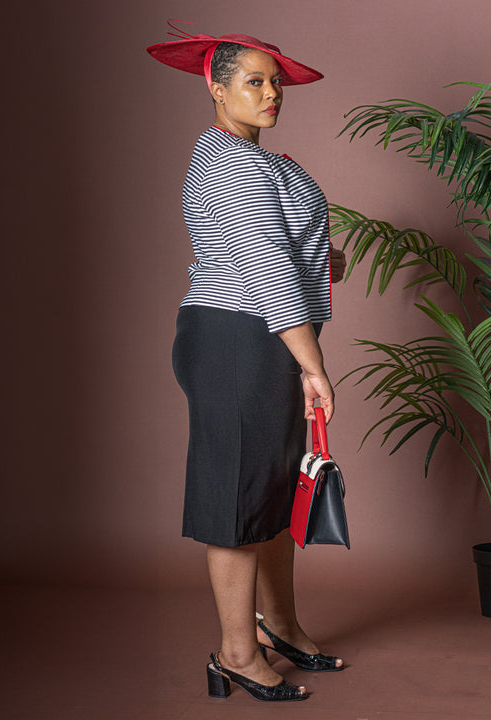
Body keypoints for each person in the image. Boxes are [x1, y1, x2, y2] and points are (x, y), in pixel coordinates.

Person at [147, 27, 347, 703]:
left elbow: (277, 248)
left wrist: (320, 263)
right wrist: (314, 368)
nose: (271, 94)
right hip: (237, 338)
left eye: (275, 81)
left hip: (261, 336)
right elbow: (262, 267)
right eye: (254, 82)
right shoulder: (230, 163)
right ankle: (236, 653)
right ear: (216, 87)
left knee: (271, 487)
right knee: (237, 492)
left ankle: (280, 627)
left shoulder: (260, 160)